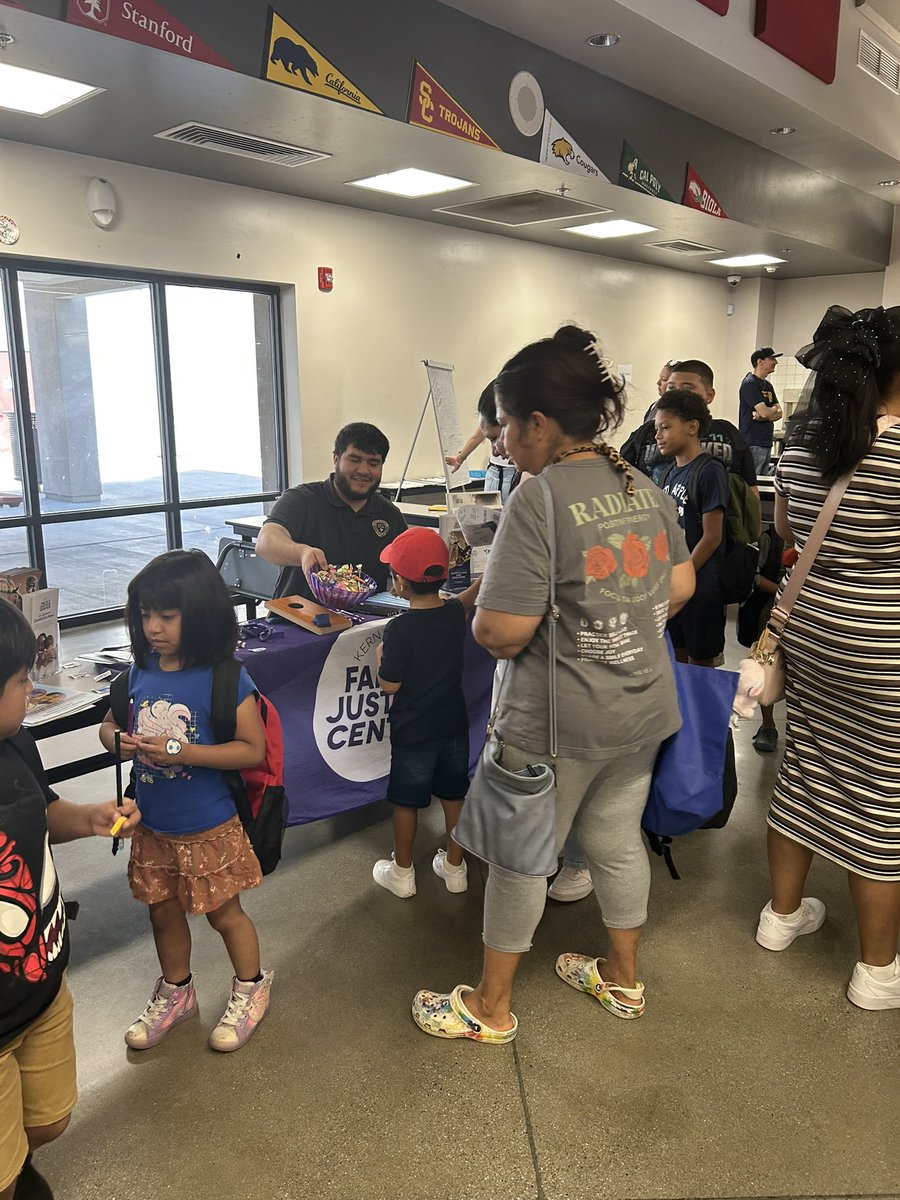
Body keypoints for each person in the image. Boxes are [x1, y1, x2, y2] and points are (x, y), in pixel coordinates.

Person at [411, 325, 695, 1043]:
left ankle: (490, 1007)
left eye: (505, 424)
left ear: (539, 422)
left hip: (556, 720)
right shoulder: (642, 485)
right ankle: (623, 980)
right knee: (615, 841)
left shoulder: (538, 501)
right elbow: (683, 583)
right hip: (639, 707)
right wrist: (619, 620)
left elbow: (502, 631)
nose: (500, 440)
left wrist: (489, 619)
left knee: (518, 860)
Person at [756, 304, 900, 1011]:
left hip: (810, 630)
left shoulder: (804, 439)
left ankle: (780, 919)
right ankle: (877, 972)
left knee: (805, 764)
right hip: (883, 646)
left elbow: (784, 528)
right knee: (880, 797)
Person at [101, 550, 274, 1053]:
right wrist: (116, 740)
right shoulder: (138, 671)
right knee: (162, 912)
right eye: (145, 615)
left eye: (167, 616)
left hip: (208, 825)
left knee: (224, 914)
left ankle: (251, 987)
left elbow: (252, 748)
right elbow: (110, 725)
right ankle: (177, 992)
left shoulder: (225, 678)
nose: (153, 627)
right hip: (151, 824)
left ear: (198, 614)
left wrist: (181, 748)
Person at [0, 601, 140, 1200]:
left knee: (49, 1118)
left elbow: (41, 810)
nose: (33, 689)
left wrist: (89, 816)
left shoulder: (14, 742)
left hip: (42, 974)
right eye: (22, 680)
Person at [372, 528, 479, 899]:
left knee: (406, 801)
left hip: (413, 731)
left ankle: (402, 873)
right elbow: (465, 601)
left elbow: (390, 686)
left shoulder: (398, 629)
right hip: (453, 725)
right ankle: (455, 868)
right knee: (454, 796)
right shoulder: (452, 614)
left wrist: (379, 658)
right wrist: (486, 577)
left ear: (399, 584)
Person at [257, 422, 406, 602]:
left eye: (373, 462)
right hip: (299, 621)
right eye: (354, 459)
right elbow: (265, 543)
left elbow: (408, 562)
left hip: (366, 624)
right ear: (336, 459)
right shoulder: (302, 499)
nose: (364, 470)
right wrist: (302, 553)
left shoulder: (389, 514)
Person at [655, 389, 729, 667]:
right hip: (674, 585)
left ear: (691, 427)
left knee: (700, 665)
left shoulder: (709, 471)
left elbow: (712, 536)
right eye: (656, 429)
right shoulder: (668, 473)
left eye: (665, 427)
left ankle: (700, 712)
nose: (658, 435)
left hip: (701, 588)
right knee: (676, 657)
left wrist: (682, 574)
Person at [622, 359, 759, 493]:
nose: (677, 394)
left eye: (687, 388)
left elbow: (750, 487)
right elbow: (620, 477)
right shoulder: (647, 432)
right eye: (671, 388)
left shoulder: (728, 432)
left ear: (709, 395)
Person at [445, 382, 519, 500]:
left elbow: (476, 437)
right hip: (496, 471)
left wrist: (460, 458)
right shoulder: (490, 417)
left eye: (496, 438)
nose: (495, 450)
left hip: (506, 473)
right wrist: (460, 458)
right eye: (491, 440)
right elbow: (476, 437)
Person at [739, 347, 783, 476]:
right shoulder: (750, 383)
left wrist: (770, 412)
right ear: (760, 362)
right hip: (753, 442)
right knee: (753, 479)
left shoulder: (768, 386)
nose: (776, 362)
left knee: (763, 481)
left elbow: (779, 412)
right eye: (772, 359)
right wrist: (770, 412)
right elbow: (765, 412)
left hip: (766, 441)